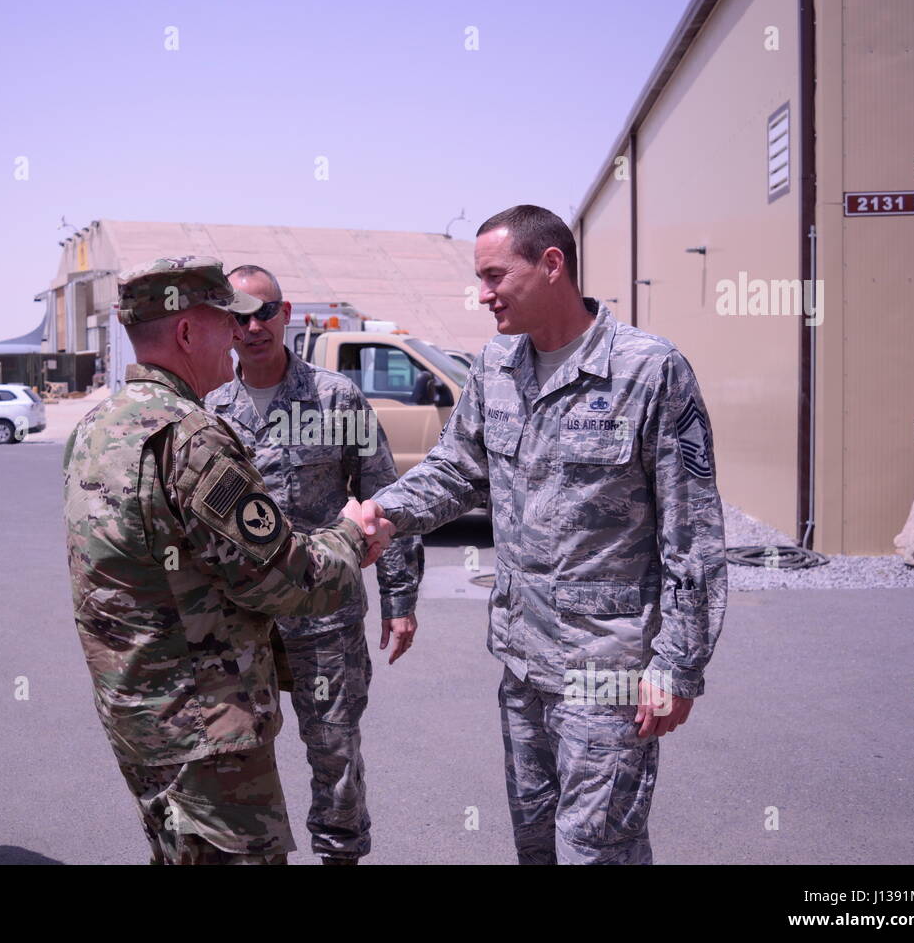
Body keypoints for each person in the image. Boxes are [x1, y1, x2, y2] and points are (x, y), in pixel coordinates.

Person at [361, 205, 727, 864]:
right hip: (523, 665)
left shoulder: (649, 371)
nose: (483, 295)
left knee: (593, 849)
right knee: (537, 845)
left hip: (608, 671)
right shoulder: (495, 366)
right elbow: (455, 472)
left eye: (495, 275)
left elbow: (693, 533)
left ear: (551, 263)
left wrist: (677, 665)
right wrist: (384, 514)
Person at [63, 256, 394, 865]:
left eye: (256, 316)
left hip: (137, 708)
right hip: (205, 718)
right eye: (228, 321)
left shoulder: (95, 428)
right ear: (190, 333)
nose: (241, 333)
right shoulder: (193, 434)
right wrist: (350, 535)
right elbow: (285, 578)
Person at [206, 264, 423, 865]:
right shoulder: (207, 409)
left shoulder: (335, 398)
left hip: (324, 618)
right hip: (240, 624)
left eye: (265, 312)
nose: (254, 327)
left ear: (287, 313)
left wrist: (400, 602)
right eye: (239, 316)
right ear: (225, 325)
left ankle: (340, 856)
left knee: (334, 751)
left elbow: (385, 500)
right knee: (240, 755)